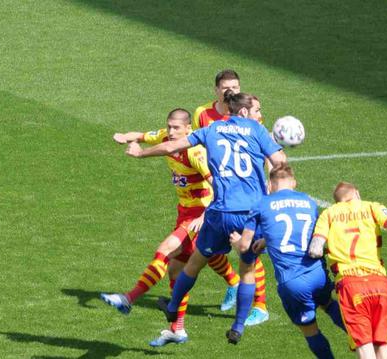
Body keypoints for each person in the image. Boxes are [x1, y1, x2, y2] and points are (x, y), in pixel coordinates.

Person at [124, 91, 286, 344]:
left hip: (219, 211)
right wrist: (272, 190)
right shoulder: (257, 131)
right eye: (257, 110)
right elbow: (279, 161)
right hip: (251, 214)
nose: (260, 115)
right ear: (243, 112)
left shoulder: (211, 130)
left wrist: (140, 153)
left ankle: (173, 305)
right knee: (246, 270)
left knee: (194, 263)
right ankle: (239, 326)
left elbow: (170, 146)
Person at [101, 108, 240, 346]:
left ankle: (128, 298)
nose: (172, 132)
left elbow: (222, 189)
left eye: (177, 128)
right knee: (176, 272)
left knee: (165, 251)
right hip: (184, 213)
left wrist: (205, 215)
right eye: (170, 127)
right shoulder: (167, 136)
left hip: (200, 216)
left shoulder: (196, 152)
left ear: (189, 129)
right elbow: (144, 135)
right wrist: (126, 136)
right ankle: (178, 329)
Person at [230, 164, 344, 358]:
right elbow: (309, 233)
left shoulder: (261, 204)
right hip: (318, 274)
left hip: (293, 283)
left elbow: (244, 247)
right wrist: (267, 240)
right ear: (294, 183)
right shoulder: (309, 202)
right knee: (329, 304)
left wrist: (236, 242)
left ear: (269, 185)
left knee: (311, 330)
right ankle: (366, 343)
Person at [308, 182, 387, 359]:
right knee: (382, 343)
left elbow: (315, 250)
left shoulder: (328, 214)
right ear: (357, 193)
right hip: (379, 282)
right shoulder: (373, 207)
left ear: (337, 201)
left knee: (364, 346)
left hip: (351, 285)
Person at [192, 69, 271, 325]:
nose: (231, 92)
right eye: (226, 88)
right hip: (214, 191)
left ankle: (260, 305)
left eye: (235, 87)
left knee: (247, 248)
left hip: (245, 194)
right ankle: (234, 282)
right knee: (203, 245)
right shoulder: (202, 114)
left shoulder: (248, 115)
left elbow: (267, 147)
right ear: (216, 90)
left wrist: (271, 181)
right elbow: (196, 148)